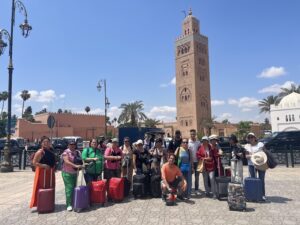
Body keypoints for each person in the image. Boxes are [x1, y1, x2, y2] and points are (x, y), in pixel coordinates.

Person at [30, 136, 56, 208]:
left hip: (50, 172)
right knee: (42, 187)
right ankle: (41, 203)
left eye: (47, 142)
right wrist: (43, 165)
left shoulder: (51, 150)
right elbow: (34, 162)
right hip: (42, 172)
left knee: (50, 186)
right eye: (44, 142)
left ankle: (49, 203)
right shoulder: (40, 152)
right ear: (41, 143)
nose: (46, 143)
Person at [244, 132, 267, 201]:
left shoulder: (260, 144)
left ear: (255, 138)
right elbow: (246, 156)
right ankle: (254, 194)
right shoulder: (247, 146)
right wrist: (254, 155)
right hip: (251, 165)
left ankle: (262, 195)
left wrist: (252, 155)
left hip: (261, 164)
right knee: (253, 179)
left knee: (261, 180)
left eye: (252, 137)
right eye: (249, 137)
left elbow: (264, 153)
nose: (251, 138)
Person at [61, 141, 83, 211]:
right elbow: (66, 161)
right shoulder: (66, 152)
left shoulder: (77, 152)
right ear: (68, 145)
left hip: (75, 173)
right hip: (67, 173)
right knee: (69, 188)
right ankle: (69, 204)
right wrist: (75, 165)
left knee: (74, 187)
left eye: (73, 145)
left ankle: (74, 202)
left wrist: (82, 165)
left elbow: (81, 160)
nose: (72, 146)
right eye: (71, 144)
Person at [188, 129, 201, 194]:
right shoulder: (188, 142)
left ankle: (196, 189)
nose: (192, 135)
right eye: (191, 134)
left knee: (197, 177)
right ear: (190, 134)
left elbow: (200, 151)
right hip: (190, 162)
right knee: (189, 176)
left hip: (197, 162)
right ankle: (189, 189)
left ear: (195, 134)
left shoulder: (198, 142)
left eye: (194, 134)